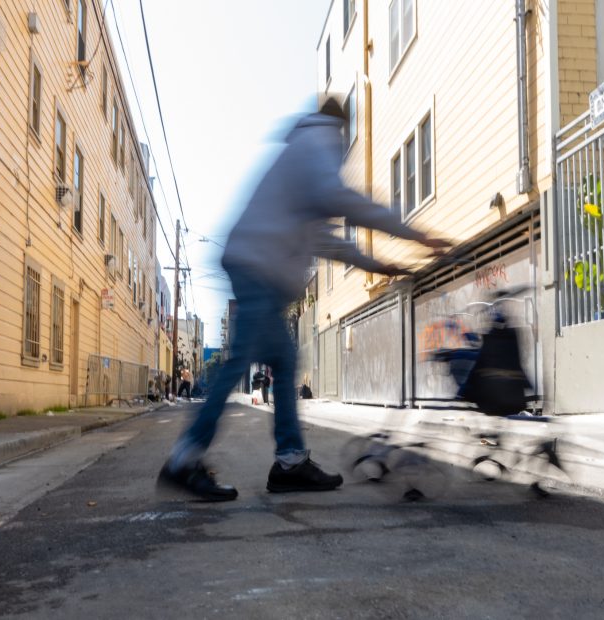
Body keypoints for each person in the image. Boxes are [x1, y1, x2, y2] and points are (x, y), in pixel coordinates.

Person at [158, 97, 450, 502]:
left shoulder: (301, 155)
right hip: (257, 267)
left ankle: (290, 461)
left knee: (283, 360)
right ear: (341, 125)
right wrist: (414, 234)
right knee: (239, 362)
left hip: (255, 265)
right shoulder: (319, 141)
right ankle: (184, 458)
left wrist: (379, 264)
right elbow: (343, 201)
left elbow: (325, 240)